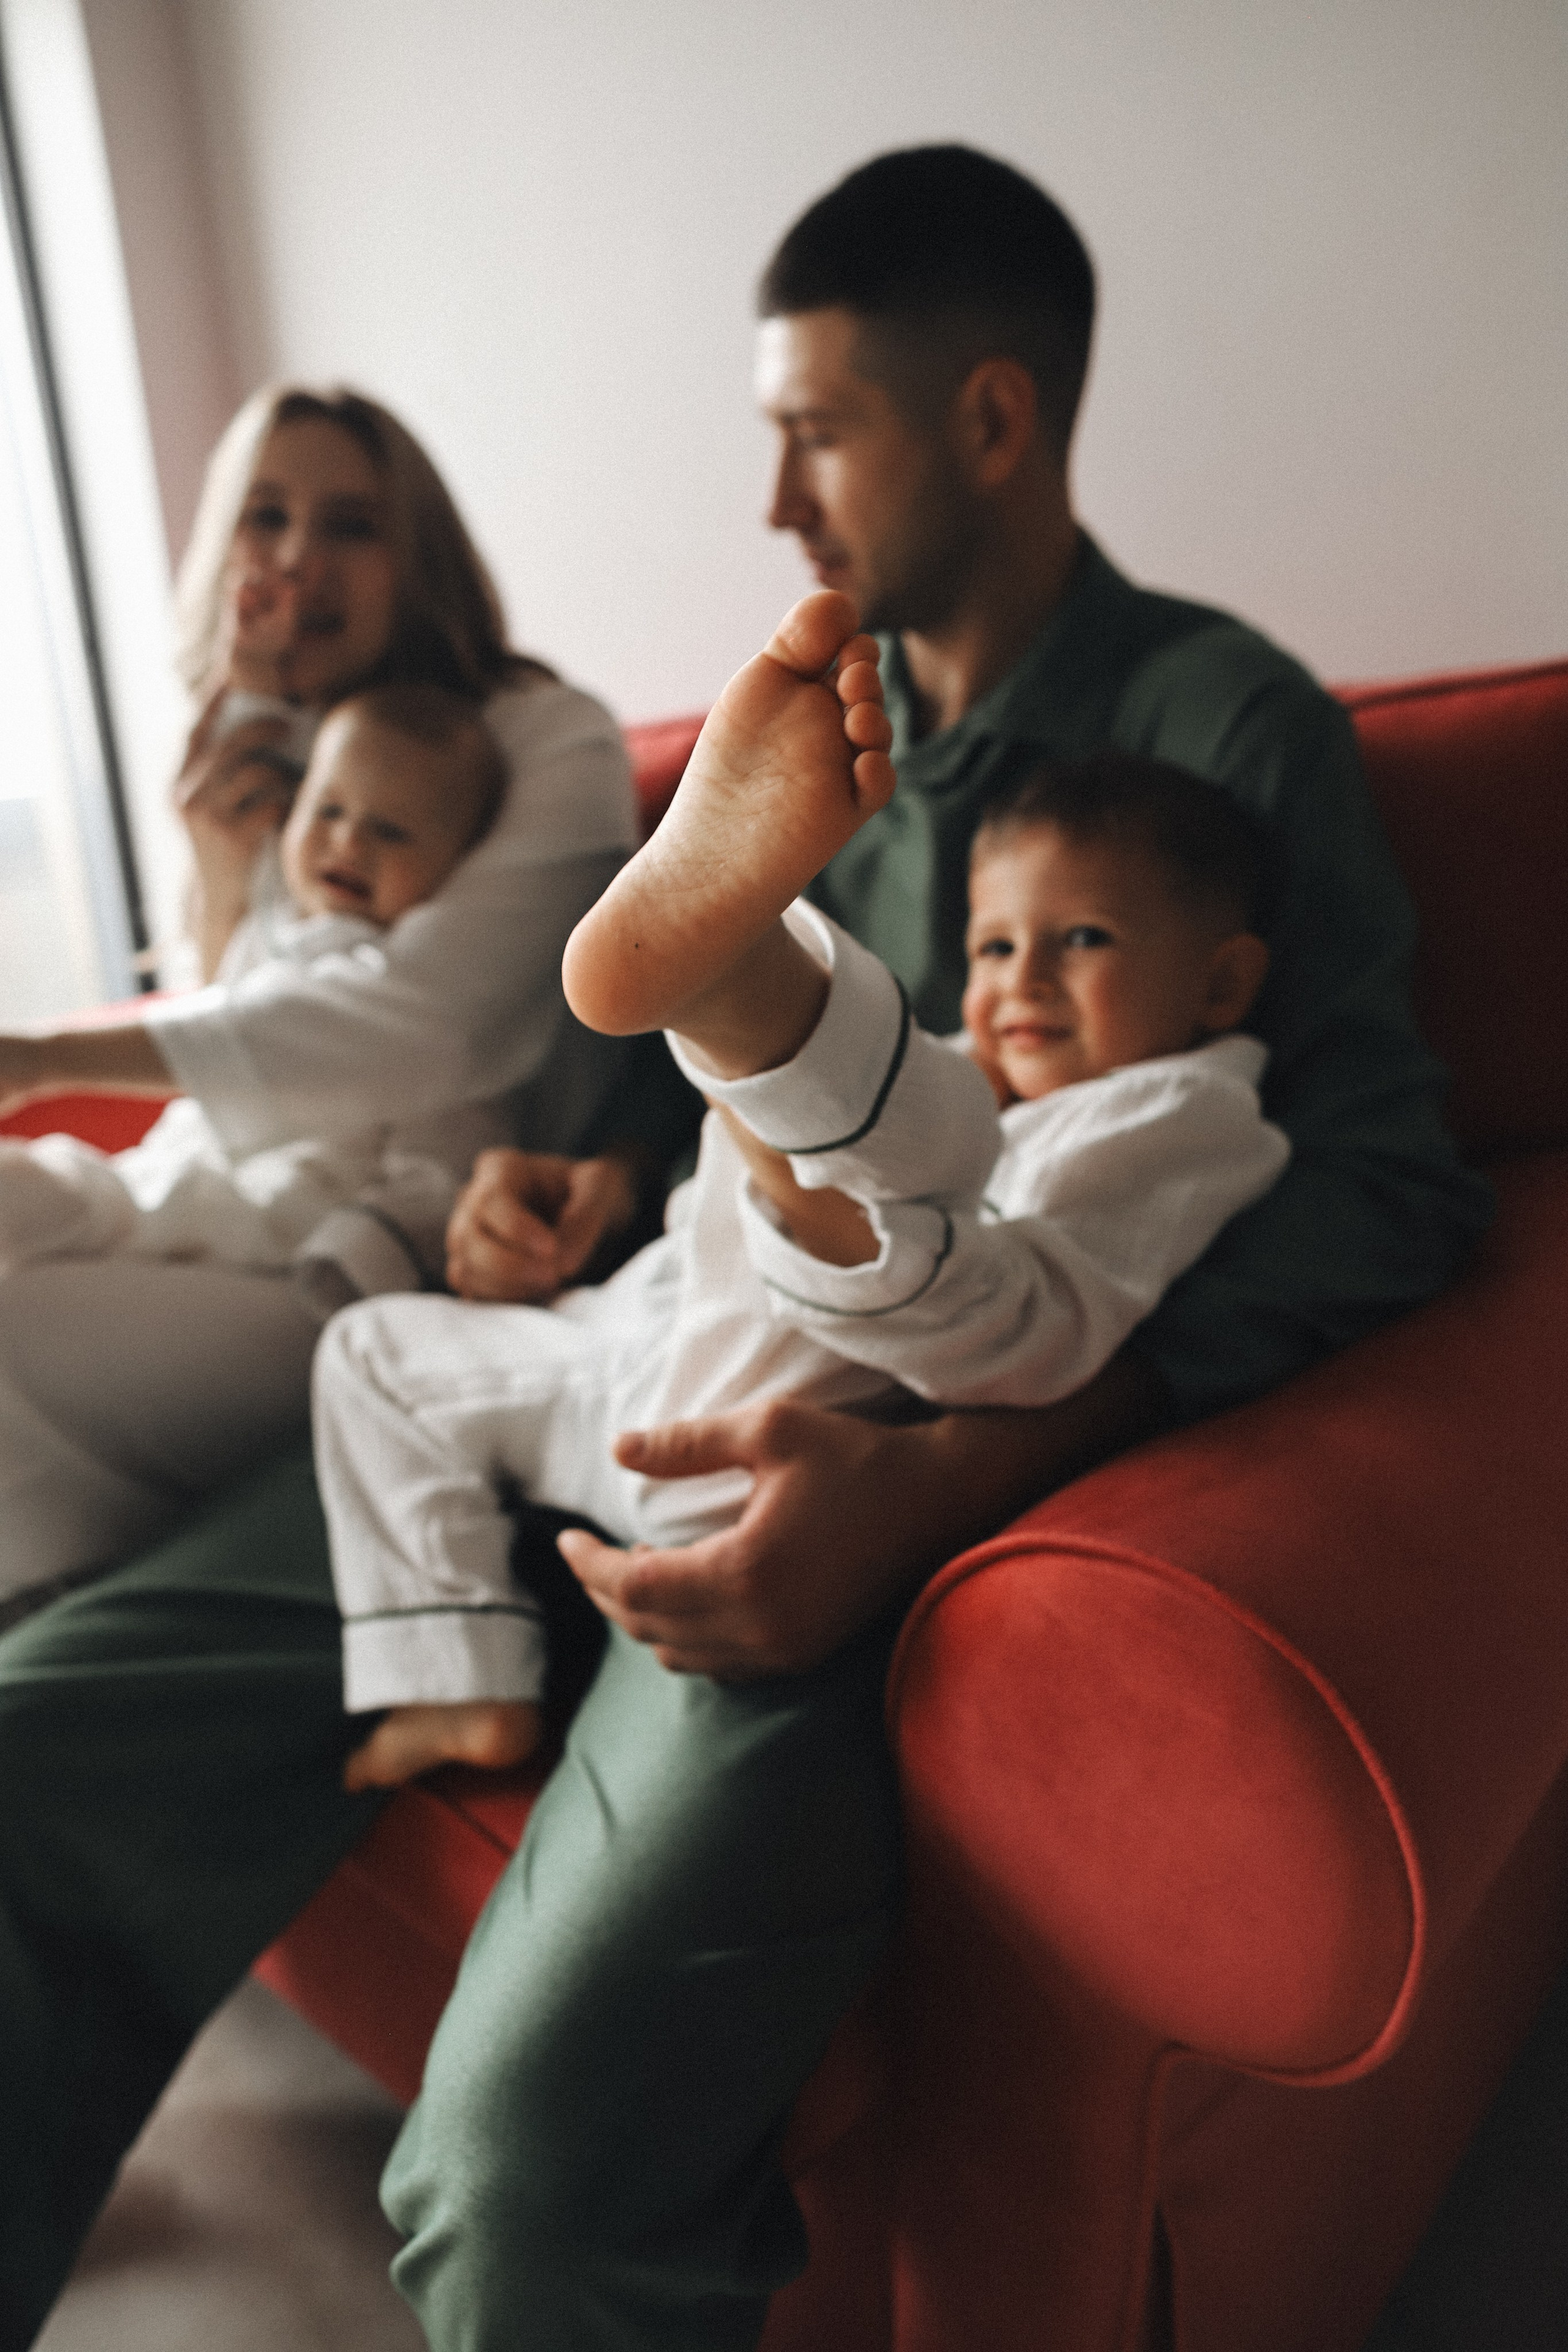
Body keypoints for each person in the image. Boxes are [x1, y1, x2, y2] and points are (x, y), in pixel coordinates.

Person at [0, 152, 1492, 2352]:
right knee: (37, 1735)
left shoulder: (1219, 729)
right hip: (598, 1362)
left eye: (817, 428)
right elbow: (620, 1114)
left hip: (839, 1467)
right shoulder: (813, 719)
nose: (775, 496)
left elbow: (1380, 1187)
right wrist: (569, 1184)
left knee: (526, 2176)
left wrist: (947, 1484)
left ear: (990, 419)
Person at [315, 599, 1286, 1792]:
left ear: (1220, 983)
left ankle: (739, 988)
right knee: (366, 1353)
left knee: (922, 1143)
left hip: (756, 1430)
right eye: (989, 948)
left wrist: (812, 1149)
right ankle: (461, 1688)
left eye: (1080, 939)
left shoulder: (1182, 1110)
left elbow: (1020, 1340)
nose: (1020, 980)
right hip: (625, 1354)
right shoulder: (966, 1074)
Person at [0, 383, 636, 1610]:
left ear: (420, 552)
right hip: (196, 1208)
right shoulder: (284, 759)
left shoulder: (545, 739)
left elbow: (418, 1027)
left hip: (369, 1256)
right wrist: (220, 865)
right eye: (265, 517)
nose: (298, 560)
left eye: (351, 525)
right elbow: (259, 1005)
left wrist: (38, 1058)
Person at [0, 685, 506, 1482]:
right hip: (140, 1197)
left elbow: (441, 1175)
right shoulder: (265, 947)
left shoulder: (417, 1018)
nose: (349, 841)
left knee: (28, 1301)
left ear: (458, 868)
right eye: (328, 810)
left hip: (259, 1254)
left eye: (391, 829)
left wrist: (351, 1263)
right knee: (30, 1188)